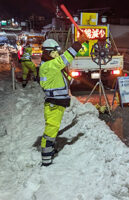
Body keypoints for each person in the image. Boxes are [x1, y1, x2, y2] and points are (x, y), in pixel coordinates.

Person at [39, 32, 88, 166]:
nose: (57, 54)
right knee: (50, 131)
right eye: (55, 51)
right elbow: (65, 58)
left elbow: (61, 80)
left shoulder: (51, 66)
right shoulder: (48, 66)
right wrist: (79, 43)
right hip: (53, 105)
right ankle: (46, 160)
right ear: (49, 52)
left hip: (57, 103)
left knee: (53, 130)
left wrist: (74, 81)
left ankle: (50, 150)